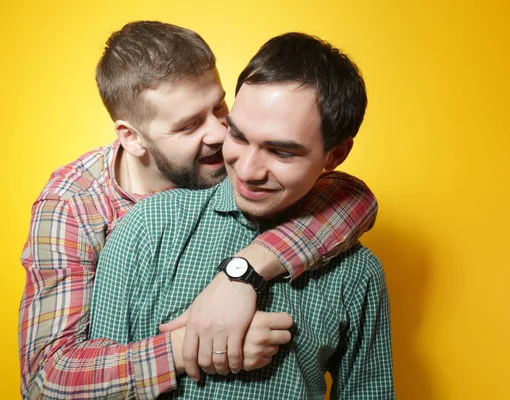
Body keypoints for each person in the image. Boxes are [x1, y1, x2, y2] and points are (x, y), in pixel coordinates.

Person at [18, 21, 379, 399]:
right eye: (189, 125)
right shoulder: (75, 207)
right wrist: (198, 342)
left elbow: (351, 199)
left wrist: (244, 271)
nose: (222, 135)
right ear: (132, 137)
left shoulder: (239, 158)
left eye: (220, 107)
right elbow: (46, 383)